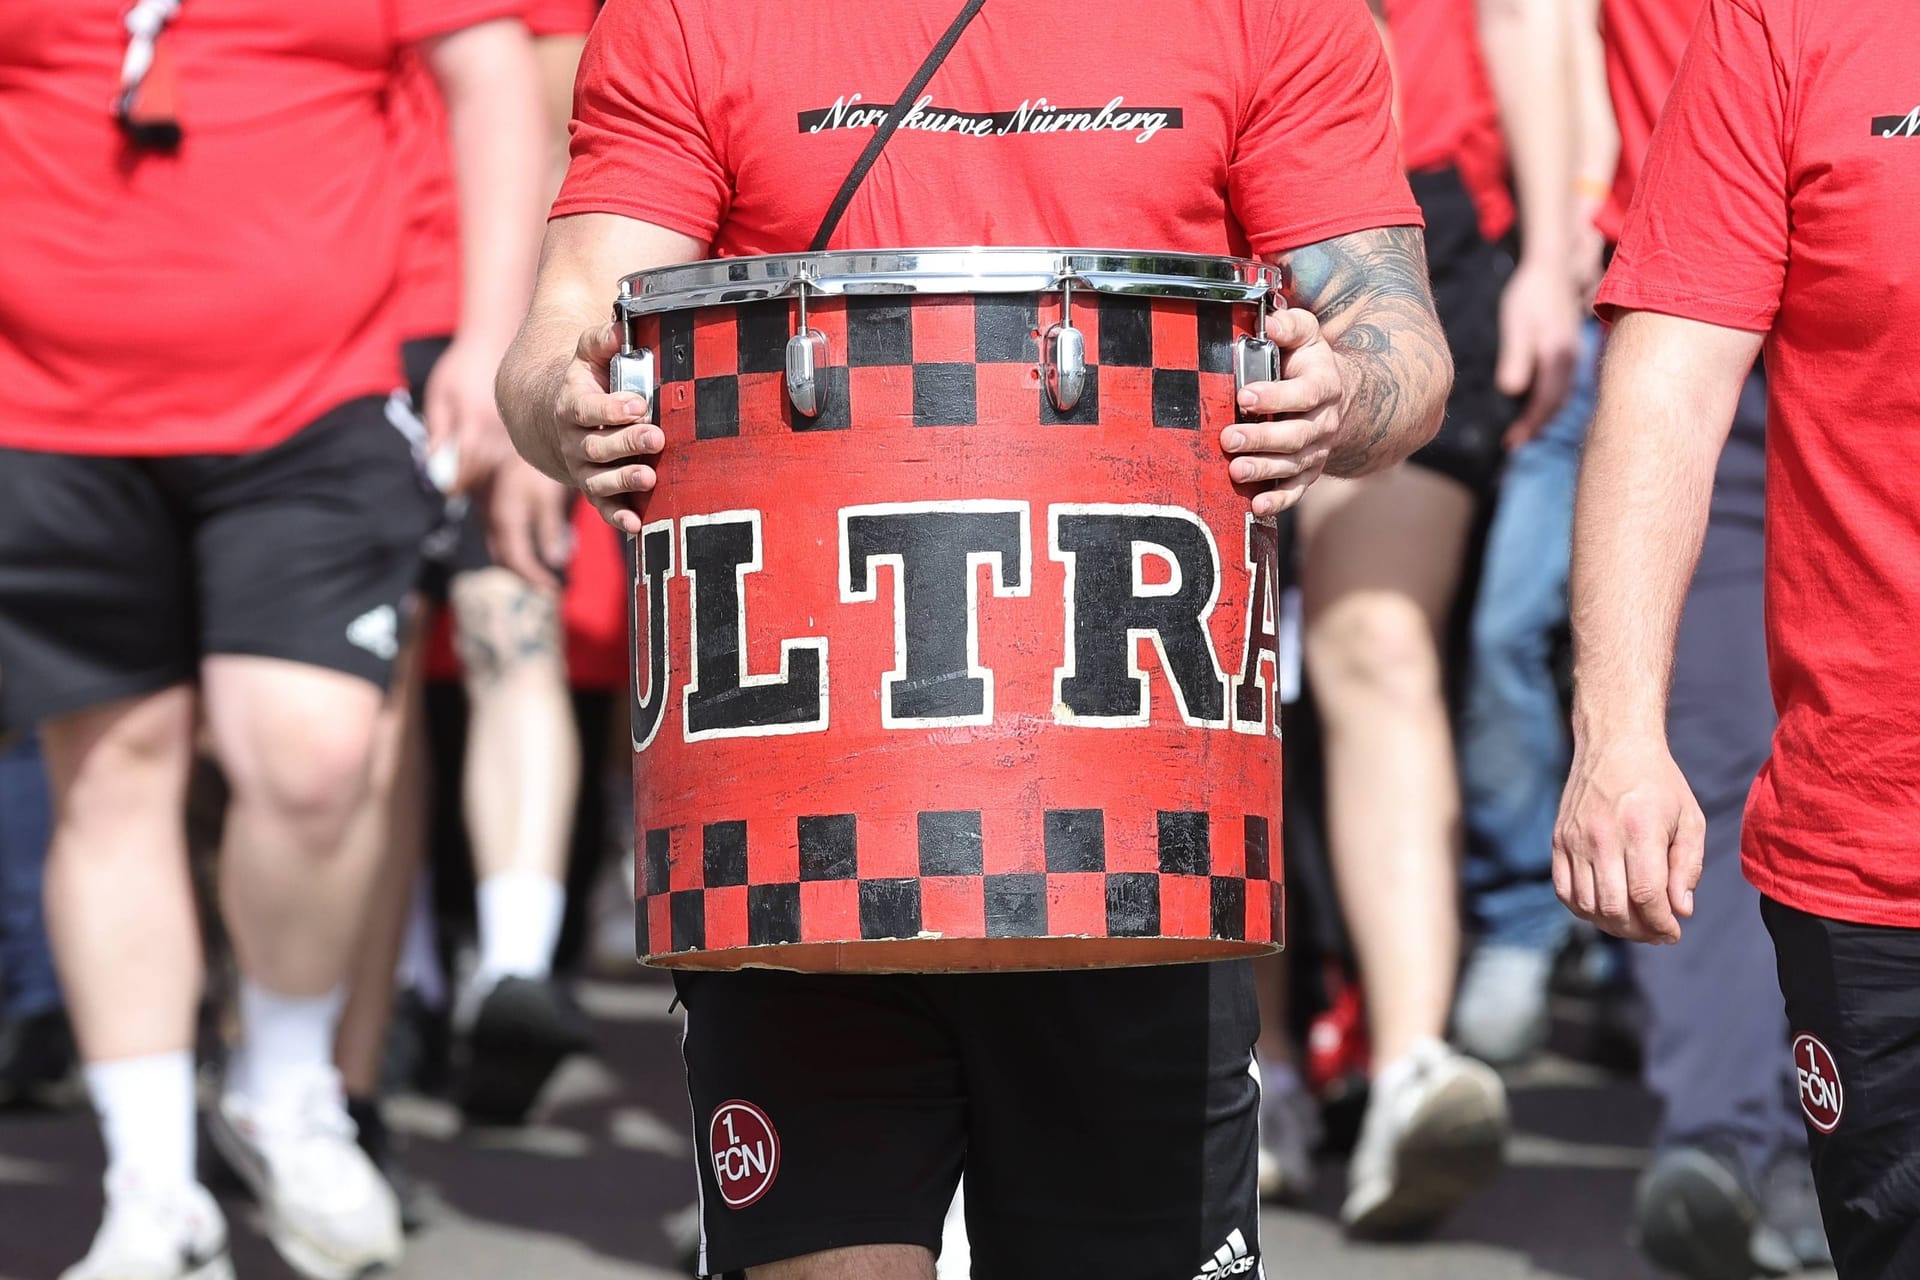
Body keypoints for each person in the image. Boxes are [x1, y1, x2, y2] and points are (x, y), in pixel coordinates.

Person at [498, 1, 1454, 1274]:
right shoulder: (693, 12)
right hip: (800, 787)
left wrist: (1343, 395)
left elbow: (1405, 343)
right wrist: (565, 400)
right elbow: (565, 323)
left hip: (1132, 791)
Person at [0, 4, 545, 1277]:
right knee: (114, 771)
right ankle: (154, 1187)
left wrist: (490, 329)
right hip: (48, 405)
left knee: (312, 756)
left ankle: (283, 1086)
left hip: (317, 398)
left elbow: (492, 79)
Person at [1553, 0, 1918, 1275]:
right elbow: (1670, 374)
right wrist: (1617, 734)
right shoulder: (1790, 25)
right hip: (1880, 850)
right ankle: (1716, 1128)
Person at [1256, 0, 1583, 1232]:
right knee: (1207, 651)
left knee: (1379, 638)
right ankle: (1257, 1068)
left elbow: (1526, 14)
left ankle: (1407, 1066)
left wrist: (1551, 255)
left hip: (1412, 215)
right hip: (1175, 196)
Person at [331, 0, 599, 1164]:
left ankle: (392, 1017)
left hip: (400, 329)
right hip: (381, 325)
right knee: (492, 645)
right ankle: (503, 956)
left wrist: (524, 355)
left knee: (390, 682)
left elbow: (561, 141)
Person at [1451, 0, 1619, 1065]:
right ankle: (1527, 916)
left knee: (1687, 669)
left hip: (1674, 307)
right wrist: (1560, 246)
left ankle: (1641, 951)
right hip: (1564, 291)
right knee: (1504, 630)